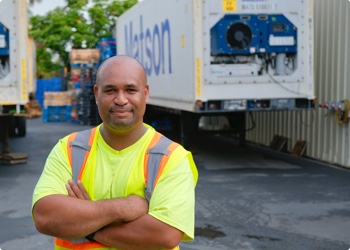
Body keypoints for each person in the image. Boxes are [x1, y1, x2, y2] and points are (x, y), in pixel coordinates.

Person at [32, 55, 198, 250]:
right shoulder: (69, 148)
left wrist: (87, 227)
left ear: (145, 93)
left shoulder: (171, 157)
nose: (120, 100)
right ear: (96, 94)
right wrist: (124, 208)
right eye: (110, 90)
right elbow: (45, 217)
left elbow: (165, 234)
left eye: (130, 90)